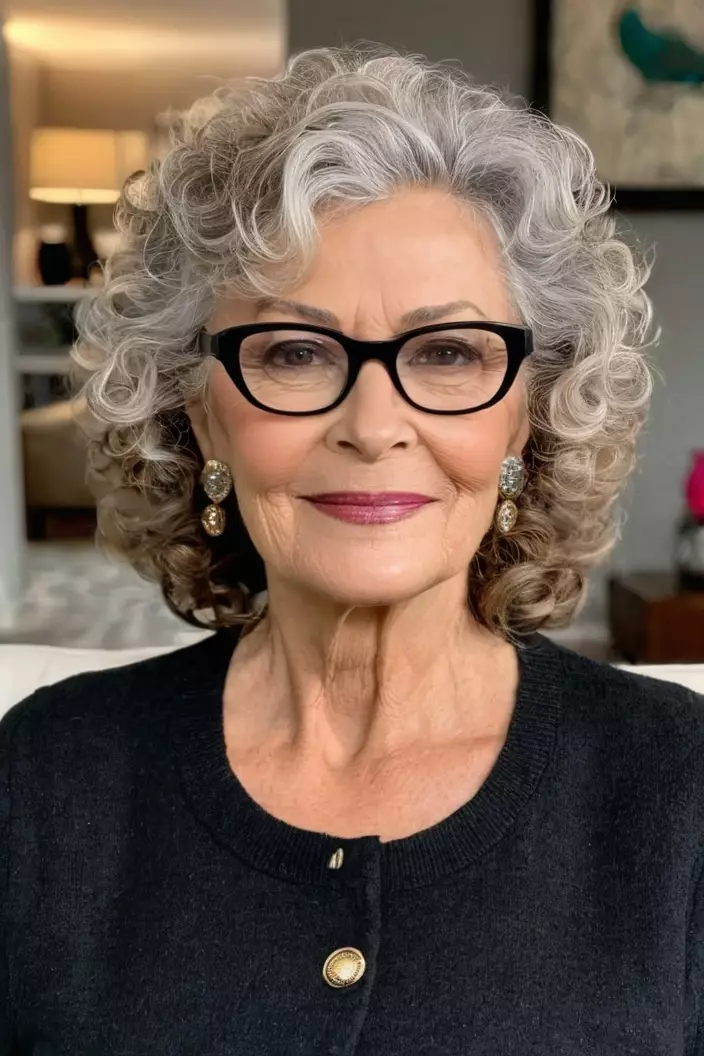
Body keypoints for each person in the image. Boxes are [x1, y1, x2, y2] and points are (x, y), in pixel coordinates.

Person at [1, 45, 703, 1056]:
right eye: (294, 353)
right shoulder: (47, 774)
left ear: (525, 418)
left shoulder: (679, 788)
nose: (373, 426)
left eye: (449, 353)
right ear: (199, 416)